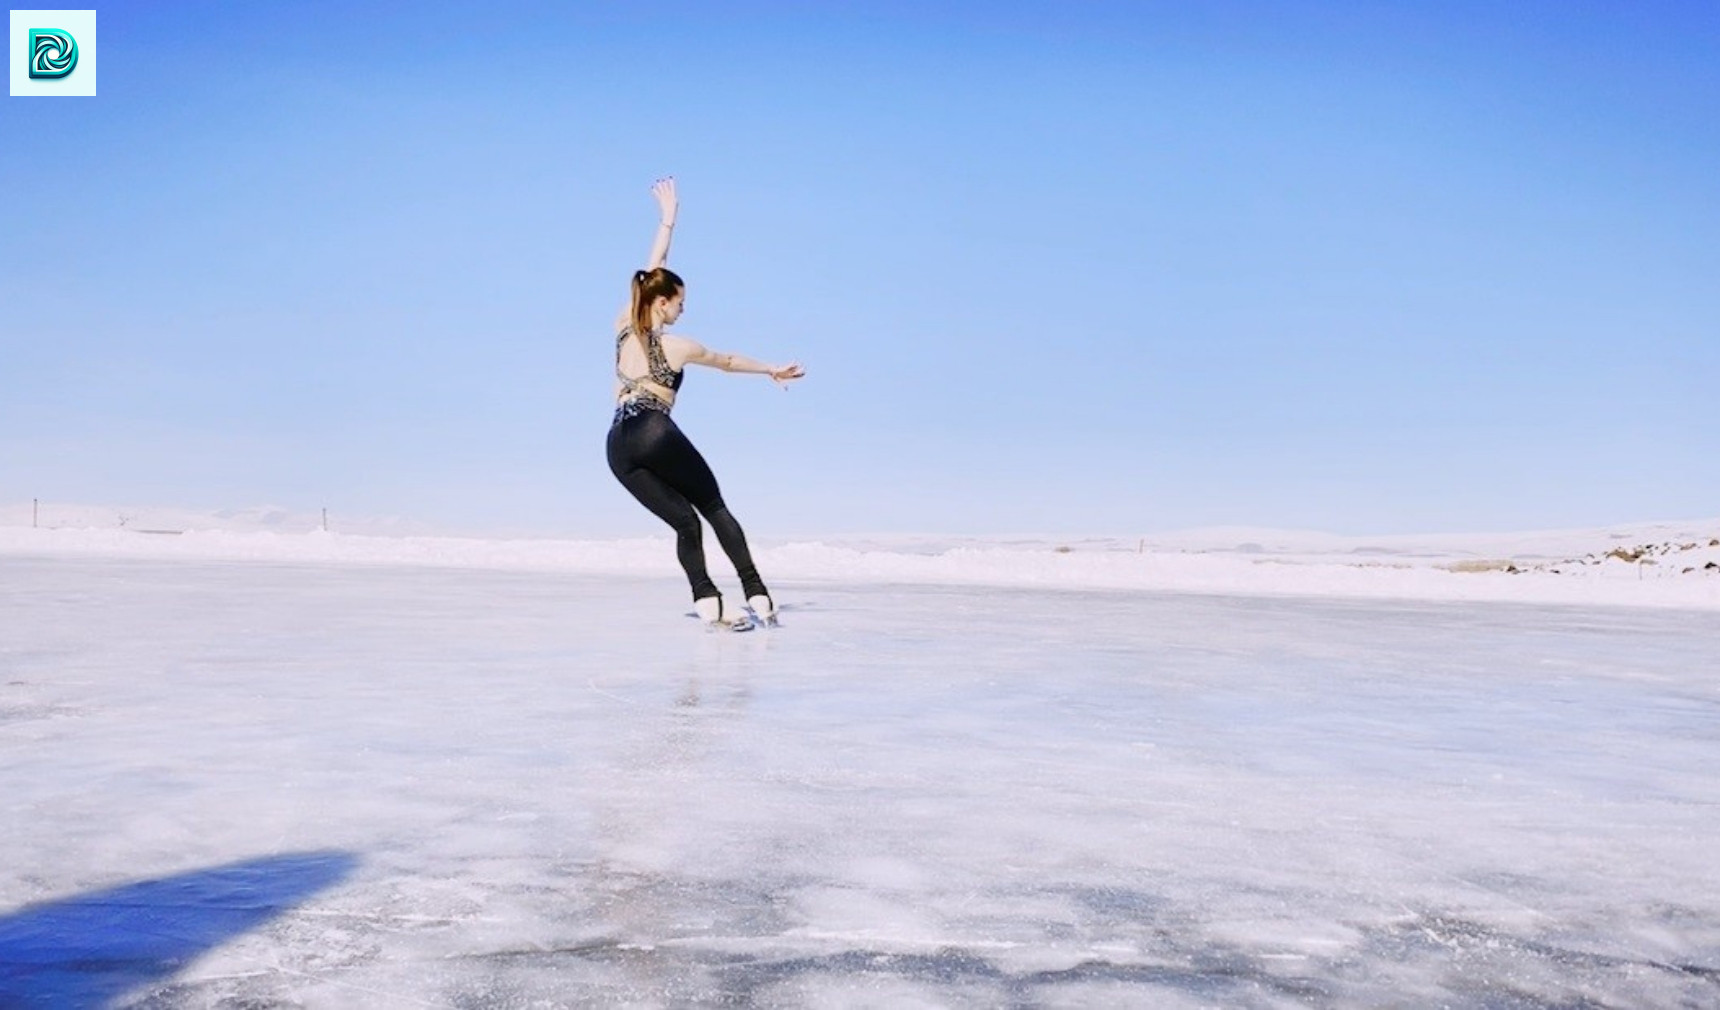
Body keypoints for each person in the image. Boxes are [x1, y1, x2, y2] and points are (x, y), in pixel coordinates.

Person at [606, 177, 805, 630]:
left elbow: (650, 267)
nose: (682, 310)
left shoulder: (622, 325)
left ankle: (707, 600)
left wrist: (667, 222)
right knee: (712, 507)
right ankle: (757, 591)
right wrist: (771, 368)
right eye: (679, 302)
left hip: (617, 445)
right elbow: (729, 361)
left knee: (683, 523)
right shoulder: (681, 347)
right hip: (653, 429)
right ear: (661, 302)